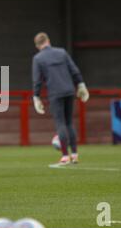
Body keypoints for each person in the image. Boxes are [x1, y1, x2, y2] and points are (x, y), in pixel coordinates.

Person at [32, 32, 89, 165]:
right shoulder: (62, 52)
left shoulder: (38, 58)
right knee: (69, 122)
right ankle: (74, 155)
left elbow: (37, 81)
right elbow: (74, 70)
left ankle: (65, 156)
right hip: (69, 91)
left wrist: (36, 97)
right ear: (48, 40)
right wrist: (81, 85)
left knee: (60, 123)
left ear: (37, 45)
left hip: (55, 93)